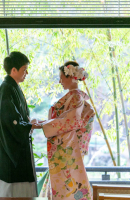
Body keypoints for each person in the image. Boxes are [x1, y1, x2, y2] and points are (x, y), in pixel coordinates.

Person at [38, 61, 95, 200]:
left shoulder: (76, 97)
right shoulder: (74, 96)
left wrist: (43, 125)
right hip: (67, 147)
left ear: (70, 77)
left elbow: (72, 121)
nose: (60, 81)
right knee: (66, 185)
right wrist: (44, 123)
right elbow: (66, 118)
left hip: (68, 148)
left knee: (67, 187)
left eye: (61, 77)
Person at [0, 51, 42, 197]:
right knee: (12, 193)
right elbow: (10, 120)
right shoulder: (7, 88)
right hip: (10, 151)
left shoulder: (12, 86)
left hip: (15, 145)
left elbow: (17, 117)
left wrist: (29, 124)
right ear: (14, 70)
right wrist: (29, 126)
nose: (27, 73)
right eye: (24, 70)